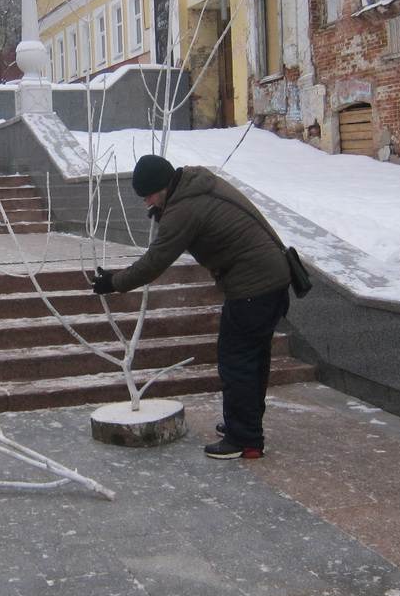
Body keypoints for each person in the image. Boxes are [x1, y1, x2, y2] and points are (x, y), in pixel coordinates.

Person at [92, 154, 291, 460]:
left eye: (149, 196)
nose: (147, 203)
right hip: (271, 278)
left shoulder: (184, 208)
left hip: (253, 287)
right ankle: (245, 426)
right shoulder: (197, 185)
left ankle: (245, 440)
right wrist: (163, 211)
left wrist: (113, 282)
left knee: (236, 362)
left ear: (163, 187)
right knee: (253, 359)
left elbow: (156, 261)